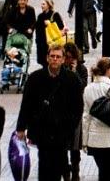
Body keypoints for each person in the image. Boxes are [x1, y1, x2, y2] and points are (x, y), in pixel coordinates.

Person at [16, 44, 84, 181]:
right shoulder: (35, 78)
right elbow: (27, 104)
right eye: (52, 56)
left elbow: (78, 107)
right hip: (42, 131)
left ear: (63, 59)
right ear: (47, 58)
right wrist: (21, 127)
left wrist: (70, 127)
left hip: (62, 132)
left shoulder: (72, 79)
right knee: (44, 166)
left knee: (58, 166)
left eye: (58, 57)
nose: (55, 59)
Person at [82, 57, 110, 181]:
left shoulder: (87, 89)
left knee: (102, 173)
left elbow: (86, 117)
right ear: (108, 70)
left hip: (95, 141)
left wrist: (84, 141)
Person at [64, 42, 88, 181]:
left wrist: (74, 73)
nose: (69, 60)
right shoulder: (61, 68)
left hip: (76, 111)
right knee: (62, 146)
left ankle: (75, 172)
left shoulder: (81, 69)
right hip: (62, 111)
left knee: (74, 146)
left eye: (72, 57)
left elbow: (82, 86)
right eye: (67, 57)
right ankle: (65, 172)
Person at [35, 0, 65, 68]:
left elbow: (61, 27)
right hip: (42, 44)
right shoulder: (40, 16)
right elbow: (37, 29)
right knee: (44, 63)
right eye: (41, 4)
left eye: (43, 4)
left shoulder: (55, 15)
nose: (42, 6)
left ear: (48, 5)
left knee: (52, 61)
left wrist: (50, 23)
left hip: (52, 43)